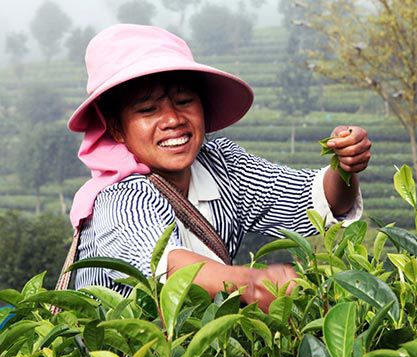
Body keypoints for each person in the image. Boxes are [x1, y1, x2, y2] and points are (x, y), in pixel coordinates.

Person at [68, 24, 371, 311]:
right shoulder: (118, 200)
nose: (173, 120)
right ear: (117, 128)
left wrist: (344, 165)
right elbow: (170, 268)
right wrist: (254, 283)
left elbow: (316, 200)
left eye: (184, 101)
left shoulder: (222, 164)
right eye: (148, 109)